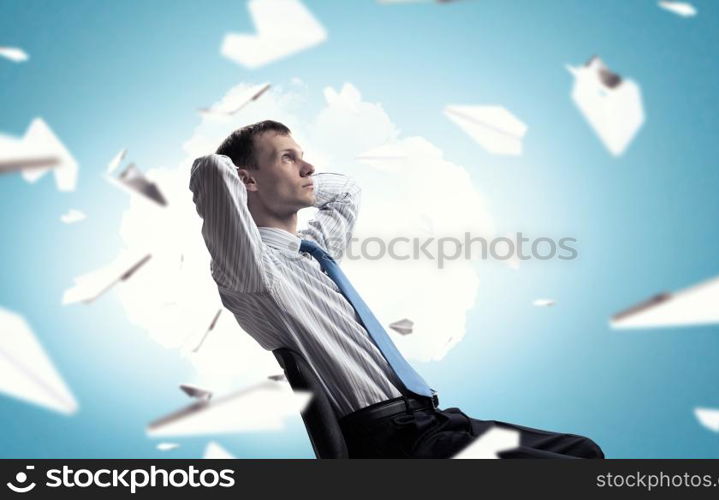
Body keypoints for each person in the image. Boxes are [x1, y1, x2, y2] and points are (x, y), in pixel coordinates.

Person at [189, 119, 604, 459]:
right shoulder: (254, 271)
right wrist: (244, 179)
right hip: (396, 442)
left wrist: (294, 178)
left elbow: (347, 192)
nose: (308, 167)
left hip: (434, 421)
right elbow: (212, 170)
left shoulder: (313, 254)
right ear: (246, 180)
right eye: (287, 157)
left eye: (303, 156)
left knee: (584, 451)